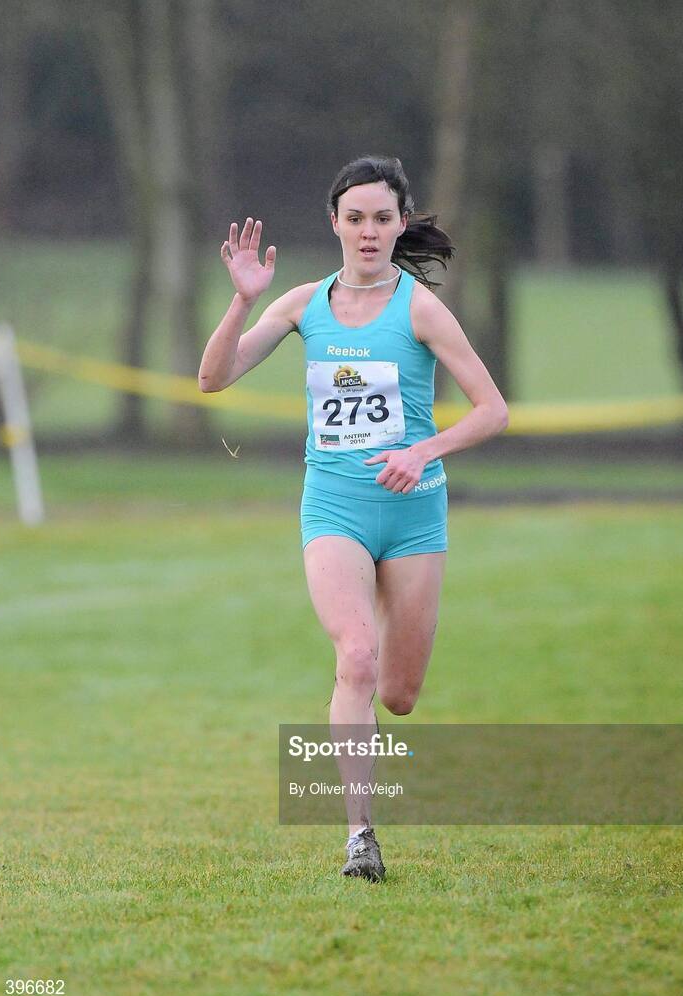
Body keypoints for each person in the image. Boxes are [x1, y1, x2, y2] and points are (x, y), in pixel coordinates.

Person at [198, 155, 508, 882]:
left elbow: (494, 410)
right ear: (334, 223)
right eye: (354, 217)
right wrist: (242, 301)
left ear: (400, 225)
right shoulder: (304, 304)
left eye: (382, 218)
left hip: (413, 512)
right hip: (334, 504)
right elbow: (211, 378)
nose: (368, 232)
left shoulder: (421, 310)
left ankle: (382, 671)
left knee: (398, 694)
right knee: (356, 658)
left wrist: (424, 449)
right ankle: (359, 836)